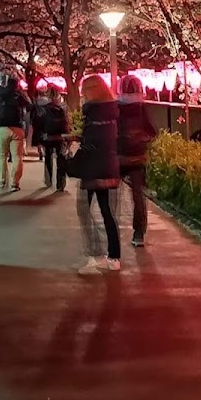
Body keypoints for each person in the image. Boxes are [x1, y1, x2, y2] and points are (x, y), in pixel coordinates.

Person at [68, 75, 121, 274]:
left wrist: (75, 156)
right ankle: (114, 258)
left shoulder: (93, 113)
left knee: (83, 209)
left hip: (92, 167)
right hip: (109, 165)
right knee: (107, 213)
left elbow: (91, 142)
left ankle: (93, 255)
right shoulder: (114, 110)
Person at [117, 74, 158, 247]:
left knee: (112, 195)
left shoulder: (115, 107)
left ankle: (111, 232)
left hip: (119, 156)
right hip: (138, 157)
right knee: (138, 196)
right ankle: (138, 233)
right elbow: (152, 131)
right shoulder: (141, 108)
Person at [0, 71, 31, 190]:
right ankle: (15, 183)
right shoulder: (19, 95)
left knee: (1, 156)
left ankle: (2, 181)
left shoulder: (0, 94)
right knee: (17, 156)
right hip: (17, 127)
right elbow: (29, 106)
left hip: (1, 128)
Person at [38, 87, 71, 191]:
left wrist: (39, 141)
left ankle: (49, 181)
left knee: (48, 159)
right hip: (60, 137)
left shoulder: (43, 109)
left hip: (47, 137)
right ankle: (60, 184)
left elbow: (39, 125)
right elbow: (66, 124)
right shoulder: (62, 108)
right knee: (60, 160)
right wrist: (68, 139)